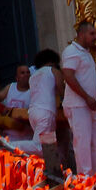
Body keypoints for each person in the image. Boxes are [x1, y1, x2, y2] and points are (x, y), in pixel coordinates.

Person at [60, 23, 96, 177]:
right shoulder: (71, 51)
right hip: (78, 105)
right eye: (92, 34)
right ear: (81, 34)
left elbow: (90, 79)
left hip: (90, 105)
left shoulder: (86, 53)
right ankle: (85, 179)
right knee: (82, 142)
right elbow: (68, 76)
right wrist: (87, 97)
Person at [24, 49, 64, 182]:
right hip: (45, 112)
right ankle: (10, 144)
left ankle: (44, 178)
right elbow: (61, 89)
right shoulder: (53, 71)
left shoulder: (33, 76)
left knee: (48, 149)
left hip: (33, 113)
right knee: (41, 147)